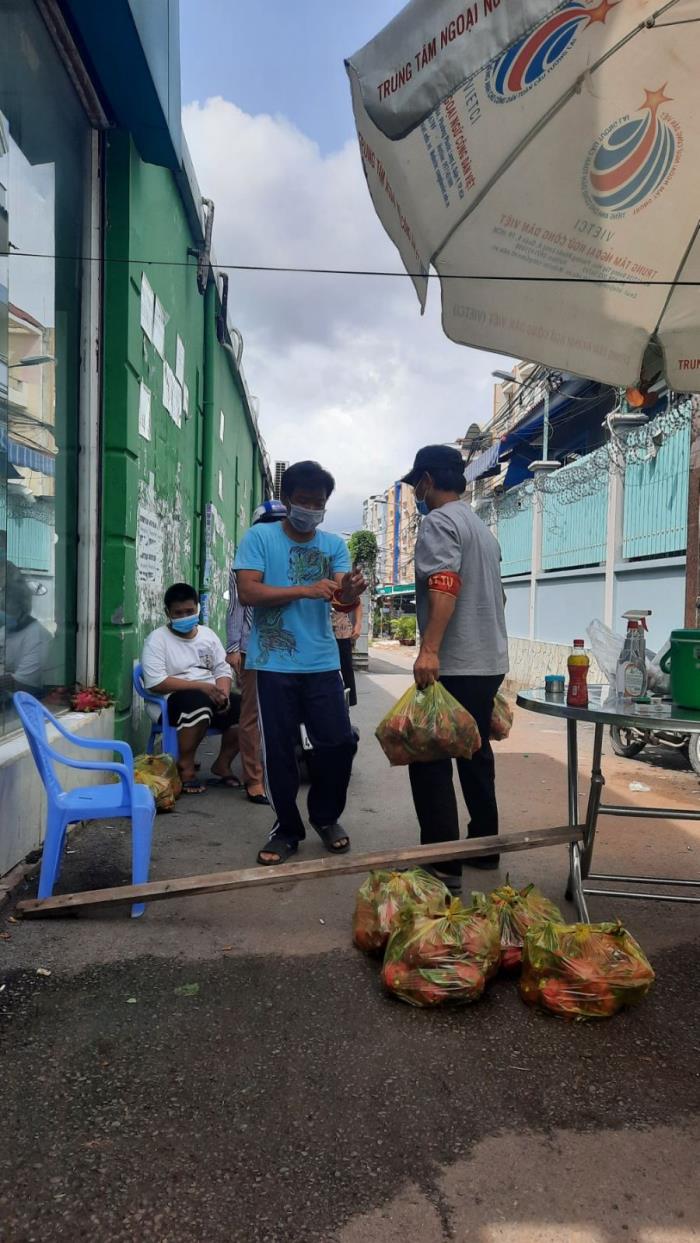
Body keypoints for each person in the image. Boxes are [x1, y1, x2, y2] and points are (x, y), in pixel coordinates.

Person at [234, 460, 366, 865]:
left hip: (323, 662)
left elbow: (342, 601)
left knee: (339, 743)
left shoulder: (333, 545)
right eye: (305, 500)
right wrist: (305, 589)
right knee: (279, 750)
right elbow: (248, 593)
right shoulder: (260, 537)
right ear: (288, 499)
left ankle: (326, 817)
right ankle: (286, 829)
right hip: (273, 663)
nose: (312, 508)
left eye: (319, 502)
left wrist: (352, 590)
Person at [402, 444, 509, 893]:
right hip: (487, 662)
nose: (415, 493)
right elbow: (497, 597)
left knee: (429, 756)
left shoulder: (438, 522)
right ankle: (485, 844)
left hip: (455, 662)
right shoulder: (480, 528)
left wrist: (429, 650)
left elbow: (444, 584)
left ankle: (442, 865)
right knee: (475, 752)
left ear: (428, 479)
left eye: (416, 485)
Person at [141, 583, 241, 794]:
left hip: (209, 694)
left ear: (197, 608)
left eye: (190, 611)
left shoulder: (208, 635)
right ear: (167, 612)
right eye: (178, 613)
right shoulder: (157, 640)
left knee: (247, 711)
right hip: (171, 699)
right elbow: (156, 682)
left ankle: (222, 764)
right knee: (197, 703)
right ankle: (185, 767)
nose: (185, 616)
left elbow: (222, 669)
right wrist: (202, 687)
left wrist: (222, 692)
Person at [226, 499, 288, 805]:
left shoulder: (293, 557)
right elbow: (236, 607)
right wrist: (234, 648)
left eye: (279, 523)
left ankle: (282, 772)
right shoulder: (245, 560)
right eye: (268, 524)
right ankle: (254, 779)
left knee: (284, 715)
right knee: (252, 716)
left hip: (289, 649)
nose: (274, 529)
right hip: (254, 648)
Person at [1, 573, 51, 697]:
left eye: (6, 609)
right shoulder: (5, 630)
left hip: (28, 700)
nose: (2, 613)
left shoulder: (37, 635)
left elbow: (23, 684)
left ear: (22, 608)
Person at [331, 595, 362, 707]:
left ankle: (347, 712)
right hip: (319, 634)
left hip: (342, 633)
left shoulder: (341, 582)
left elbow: (357, 600)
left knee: (346, 672)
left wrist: (358, 624)